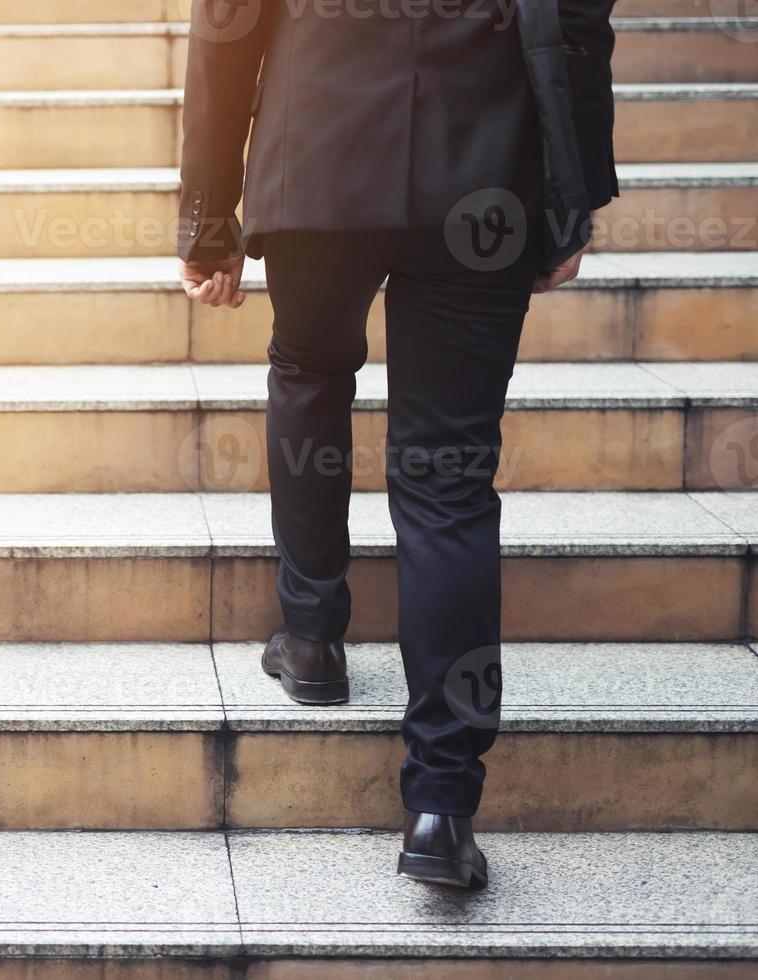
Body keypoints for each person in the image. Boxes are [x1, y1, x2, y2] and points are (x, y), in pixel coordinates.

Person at [177, 0, 618, 888]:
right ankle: (441, 810)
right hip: (483, 170)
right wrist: (572, 194)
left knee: (308, 374)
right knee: (448, 478)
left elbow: (224, 29)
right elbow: (576, 19)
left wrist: (207, 213)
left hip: (319, 158)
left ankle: (310, 639)